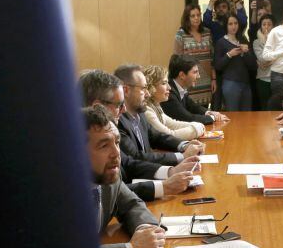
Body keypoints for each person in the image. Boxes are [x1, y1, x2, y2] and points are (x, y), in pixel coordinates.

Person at [79, 69, 197, 201]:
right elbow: (117, 191)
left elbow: (128, 165)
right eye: (119, 105)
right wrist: (164, 186)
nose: (123, 110)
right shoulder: (78, 148)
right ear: (98, 107)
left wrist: (170, 172)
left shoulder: (115, 127)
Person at [82, 104, 166, 248]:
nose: (116, 153)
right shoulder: (54, 193)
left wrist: (145, 230)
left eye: (117, 142)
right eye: (104, 145)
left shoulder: (109, 175)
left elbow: (132, 205)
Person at [114, 64, 205, 165]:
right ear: (126, 90)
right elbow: (135, 157)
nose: (148, 93)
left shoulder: (140, 114)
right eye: (143, 88)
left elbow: (157, 137)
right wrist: (182, 156)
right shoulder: (118, 121)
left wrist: (184, 145)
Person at [142, 64, 205, 140]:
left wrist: (197, 125)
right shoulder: (147, 110)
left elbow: (173, 124)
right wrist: (196, 130)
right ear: (151, 87)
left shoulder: (155, 105)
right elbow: (168, 135)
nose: (169, 87)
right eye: (164, 83)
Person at [162, 54, 230, 125]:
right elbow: (187, 118)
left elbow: (193, 106)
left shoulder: (179, 87)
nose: (199, 76)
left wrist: (209, 112)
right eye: (195, 72)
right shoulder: (169, 93)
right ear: (182, 75)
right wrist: (213, 118)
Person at [173, 4, 215, 107]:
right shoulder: (181, 34)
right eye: (192, 16)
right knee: (190, 115)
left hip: (206, 82)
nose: (196, 18)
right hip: (189, 82)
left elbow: (212, 58)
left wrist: (214, 79)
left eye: (198, 15)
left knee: (204, 113)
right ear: (187, 18)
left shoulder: (207, 32)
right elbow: (177, 60)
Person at [214, 15, 257, 110]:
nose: (234, 26)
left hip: (246, 84)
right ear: (226, 26)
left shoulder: (243, 40)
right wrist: (229, 55)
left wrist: (246, 53)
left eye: (236, 23)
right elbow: (217, 65)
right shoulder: (221, 42)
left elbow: (253, 65)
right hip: (231, 84)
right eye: (230, 24)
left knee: (247, 117)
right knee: (233, 116)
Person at [252, 14, 276, 109]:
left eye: (269, 24)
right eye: (264, 24)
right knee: (265, 107)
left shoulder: (278, 40)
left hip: (276, 77)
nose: (266, 27)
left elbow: (281, 56)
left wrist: (272, 60)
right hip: (263, 79)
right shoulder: (256, 42)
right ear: (260, 26)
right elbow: (263, 58)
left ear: (273, 26)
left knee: (276, 107)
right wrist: (267, 42)